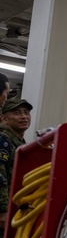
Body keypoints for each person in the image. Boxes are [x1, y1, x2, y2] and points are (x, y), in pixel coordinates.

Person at [0, 98, 32, 230]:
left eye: (26, 112)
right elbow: (0, 176)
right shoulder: (3, 140)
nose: (24, 117)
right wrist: (2, 210)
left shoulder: (20, 144)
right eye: (17, 113)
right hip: (5, 212)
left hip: (16, 209)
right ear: (5, 119)